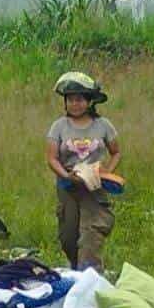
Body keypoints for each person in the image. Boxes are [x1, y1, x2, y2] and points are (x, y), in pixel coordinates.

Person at [46, 71, 121, 271]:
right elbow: (52, 158)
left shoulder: (103, 125)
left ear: (89, 102)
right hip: (69, 185)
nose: (74, 104)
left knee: (91, 235)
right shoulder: (58, 126)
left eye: (79, 100)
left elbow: (116, 152)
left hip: (94, 186)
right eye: (70, 100)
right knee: (68, 237)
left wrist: (106, 173)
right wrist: (65, 175)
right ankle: (76, 270)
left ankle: (91, 279)